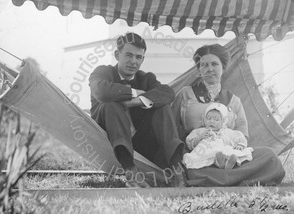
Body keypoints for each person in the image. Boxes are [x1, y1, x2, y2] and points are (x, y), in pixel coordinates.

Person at [171, 44, 285, 186]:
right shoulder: (185, 94)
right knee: (192, 166)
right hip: (198, 157)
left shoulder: (234, 100)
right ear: (199, 70)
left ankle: (219, 178)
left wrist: (236, 149)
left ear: (223, 68)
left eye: (214, 64)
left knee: (269, 156)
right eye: (204, 65)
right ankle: (240, 179)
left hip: (228, 155)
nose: (209, 69)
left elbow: (242, 136)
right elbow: (171, 129)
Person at [89, 32, 185, 188]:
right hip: (109, 139)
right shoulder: (102, 72)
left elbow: (168, 93)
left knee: (163, 106)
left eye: (138, 57)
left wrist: (136, 101)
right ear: (117, 55)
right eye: (128, 55)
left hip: (142, 142)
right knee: (111, 105)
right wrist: (134, 92)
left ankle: (177, 169)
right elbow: (101, 92)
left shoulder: (146, 78)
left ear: (143, 59)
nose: (133, 61)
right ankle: (131, 172)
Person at [183, 103, 253, 170]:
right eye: (209, 118)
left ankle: (228, 162)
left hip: (222, 151)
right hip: (206, 152)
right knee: (207, 155)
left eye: (216, 119)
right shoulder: (201, 131)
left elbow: (239, 137)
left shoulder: (227, 132)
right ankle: (220, 161)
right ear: (204, 119)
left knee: (228, 152)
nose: (212, 121)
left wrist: (240, 145)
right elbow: (190, 143)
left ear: (223, 121)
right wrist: (200, 137)